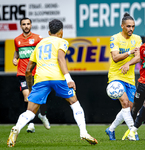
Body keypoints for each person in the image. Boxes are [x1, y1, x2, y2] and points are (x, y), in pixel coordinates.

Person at [7, 19, 98, 147]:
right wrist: (69, 79)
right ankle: (83, 132)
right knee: (74, 103)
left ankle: (16, 127)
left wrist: (30, 87)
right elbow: (61, 59)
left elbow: (28, 70)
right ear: (61, 32)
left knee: (31, 111)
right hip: (57, 78)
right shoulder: (62, 41)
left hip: (41, 78)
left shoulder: (39, 44)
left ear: (49, 32)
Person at [105, 13, 142, 141]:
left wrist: (128, 63)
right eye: (128, 26)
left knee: (129, 108)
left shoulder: (137, 39)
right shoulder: (115, 38)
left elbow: (139, 57)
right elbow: (115, 58)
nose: (131, 29)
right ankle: (133, 132)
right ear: (122, 26)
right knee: (125, 103)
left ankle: (110, 129)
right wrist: (129, 53)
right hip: (116, 76)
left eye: (133, 26)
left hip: (130, 78)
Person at [13, 17, 50, 132]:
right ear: (21, 26)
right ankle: (31, 124)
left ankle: (42, 115)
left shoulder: (38, 38)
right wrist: (15, 58)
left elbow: (44, 50)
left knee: (41, 99)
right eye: (24, 24)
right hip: (23, 73)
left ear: (31, 25)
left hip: (37, 73)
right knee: (27, 97)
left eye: (28, 24)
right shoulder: (17, 40)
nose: (26, 26)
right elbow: (17, 52)